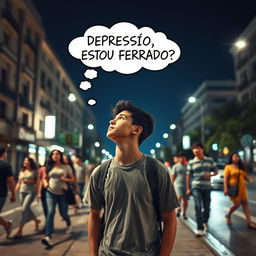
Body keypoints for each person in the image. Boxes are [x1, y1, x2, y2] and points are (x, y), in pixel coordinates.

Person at [85, 100, 179, 256]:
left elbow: (170, 219)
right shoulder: (101, 172)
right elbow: (94, 217)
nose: (112, 121)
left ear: (136, 129)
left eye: (121, 117)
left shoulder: (156, 170)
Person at [41, 149, 75, 247]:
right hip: (50, 192)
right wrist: (45, 184)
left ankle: (69, 224)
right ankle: (48, 236)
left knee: (63, 213)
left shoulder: (66, 167)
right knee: (50, 212)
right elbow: (44, 178)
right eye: (53, 154)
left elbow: (72, 179)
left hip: (62, 193)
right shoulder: (49, 167)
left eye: (57, 154)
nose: (55, 155)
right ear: (51, 156)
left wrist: (65, 179)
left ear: (60, 156)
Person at [186, 142, 218, 237]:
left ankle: (204, 221)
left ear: (202, 149)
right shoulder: (191, 162)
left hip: (207, 187)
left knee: (207, 207)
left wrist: (211, 175)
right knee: (198, 206)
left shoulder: (209, 160)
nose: (196, 150)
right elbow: (188, 176)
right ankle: (199, 228)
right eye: (194, 149)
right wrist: (188, 188)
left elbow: (216, 171)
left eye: (198, 148)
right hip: (196, 187)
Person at [224, 152, 256, 229]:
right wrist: (226, 188)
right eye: (235, 157)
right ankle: (228, 215)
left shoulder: (241, 167)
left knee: (245, 204)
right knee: (237, 204)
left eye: (237, 157)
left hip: (242, 188)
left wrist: (250, 180)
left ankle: (249, 222)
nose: (236, 158)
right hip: (234, 188)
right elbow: (226, 178)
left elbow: (245, 176)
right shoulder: (228, 167)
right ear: (231, 158)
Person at [13, 157, 41, 238]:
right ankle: (36, 221)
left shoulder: (35, 171)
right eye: (24, 160)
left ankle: (20, 230)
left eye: (27, 161)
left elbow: (37, 181)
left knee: (24, 209)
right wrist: (14, 192)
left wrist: (29, 181)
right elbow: (19, 182)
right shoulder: (21, 170)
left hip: (30, 192)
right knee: (27, 208)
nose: (25, 162)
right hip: (22, 192)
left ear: (30, 162)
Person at [0, 147, 15, 239]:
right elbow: (10, 181)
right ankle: (7, 225)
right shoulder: (6, 165)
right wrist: (13, 194)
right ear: (4, 154)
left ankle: (7, 225)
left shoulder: (5, 165)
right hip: (1, 194)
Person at [171, 152, 188, 219]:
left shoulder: (188, 166)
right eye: (181, 157)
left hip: (186, 185)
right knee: (179, 197)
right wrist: (172, 185)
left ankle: (184, 213)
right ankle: (178, 209)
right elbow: (172, 176)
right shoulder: (176, 166)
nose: (182, 159)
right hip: (178, 184)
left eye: (183, 157)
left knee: (185, 200)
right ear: (179, 158)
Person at [37, 164, 48, 234]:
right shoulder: (42, 169)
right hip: (44, 190)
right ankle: (47, 226)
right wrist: (38, 192)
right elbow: (39, 180)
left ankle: (47, 226)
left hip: (52, 190)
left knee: (50, 210)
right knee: (46, 210)